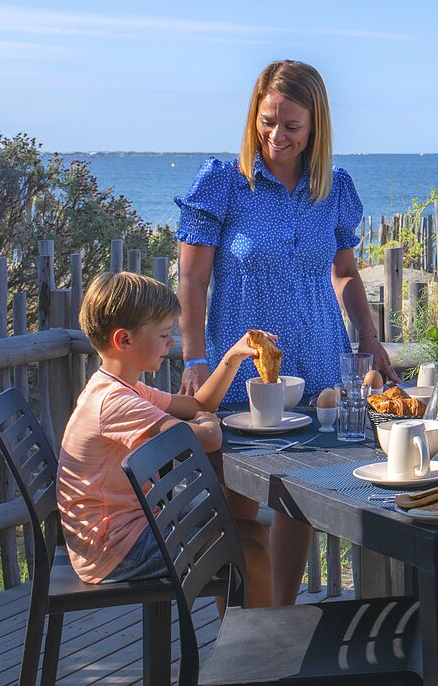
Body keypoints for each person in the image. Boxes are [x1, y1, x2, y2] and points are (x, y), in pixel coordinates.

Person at [175, 59, 397, 605]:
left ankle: (281, 623)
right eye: (267, 120)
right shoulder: (224, 183)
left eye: (291, 125)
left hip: (318, 364)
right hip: (240, 374)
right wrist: (194, 357)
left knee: (299, 503)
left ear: (316, 125)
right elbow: (192, 277)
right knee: (239, 513)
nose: (276, 135)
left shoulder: (334, 188)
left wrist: (369, 339)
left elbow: (344, 273)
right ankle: (240, 641)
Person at [57, 271, 264, 590]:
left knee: (250, 535)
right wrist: (209, 423)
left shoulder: (124, 388)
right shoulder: (115, 403)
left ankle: (254, 635)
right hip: (118, 550)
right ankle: (259, 641)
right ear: (124, 340)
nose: (171, 342)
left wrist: (232, 358)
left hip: (129, 532)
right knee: (251, 546)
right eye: (164, 334)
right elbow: (207, 439)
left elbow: (197, 403)